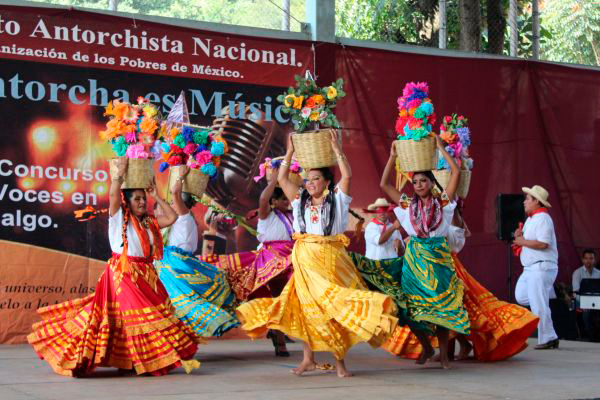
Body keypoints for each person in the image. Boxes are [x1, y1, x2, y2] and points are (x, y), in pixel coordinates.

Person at [237, 132, 398, 378]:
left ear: (325, 182)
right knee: (305, 309)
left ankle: (340, 363)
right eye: (307, 179)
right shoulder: (299, 200)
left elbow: (348, 175)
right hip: (304, 259)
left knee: (332, 309)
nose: (310, 182)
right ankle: (307, 359)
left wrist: (336, 149)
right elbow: (281, 176)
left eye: (315, 179)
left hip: (330, 259)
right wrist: (290, 150)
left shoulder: (338, 199)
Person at [28, 157, 200, 376]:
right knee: (141, 317)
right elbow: (112, 196)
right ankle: (146, 360)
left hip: (146, 275)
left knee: (126, 320)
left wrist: (156, 195)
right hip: (124, 273)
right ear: (126, 202)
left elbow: (173, 216)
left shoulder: (147, 222)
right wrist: (117, 176)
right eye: (137, 199)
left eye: (143, 198)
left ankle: (130, 361)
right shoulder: (119, 219)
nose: (141, 202)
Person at [383, 204, 539, 362]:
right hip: (431, 270)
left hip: (448, 271)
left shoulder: (449, 227)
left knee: (455, 308)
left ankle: (452, 350)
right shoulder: (428, 225)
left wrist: (450, 204)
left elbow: (451, 240)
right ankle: (453, 349)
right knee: (444, 310)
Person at [379, 135, 469, 369]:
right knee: (409, 307)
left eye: (423, 181)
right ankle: (427, 347)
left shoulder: (443, 203)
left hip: (437, 258)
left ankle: (444, 355)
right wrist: (392, 157)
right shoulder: (408, 205)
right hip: (415, 257)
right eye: (415, 182)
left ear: (431, 183)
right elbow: (385, 186)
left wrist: (440, 148)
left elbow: (456, 174)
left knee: (440, 306)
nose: (418, 185)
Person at [154, 167, 239, 338]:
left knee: (182, 302)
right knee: (177, 304)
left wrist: (181, 177)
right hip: (176, 263)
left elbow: (175, 193)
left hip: (176, 265)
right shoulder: (179, 221)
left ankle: (206, 325)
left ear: (181, 205)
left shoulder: (184, 218)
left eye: (172, 203)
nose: (170, 205)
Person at [513, 185, 559, 350]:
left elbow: (543, 243)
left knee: (538, 303)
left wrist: (522, 241)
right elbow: (526, 240)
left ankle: (548, 337)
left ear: (537, 202)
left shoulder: (543, 218)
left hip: (541, 267)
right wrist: (520, 236)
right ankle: (550, 335)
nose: (524, 201)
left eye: (528, 198)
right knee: (522, 296)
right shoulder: (532, 218)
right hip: (531, 268)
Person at [572, 249, 600, 340]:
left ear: (594, 260)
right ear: (583, 260)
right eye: (586, 258)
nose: (589, 261)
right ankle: (589, 335)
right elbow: (575, 293)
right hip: (581, 301)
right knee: (586, 312)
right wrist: (585, 303)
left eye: (591, 258)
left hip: (596, 300)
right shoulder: (577, 273)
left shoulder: (599, 273)